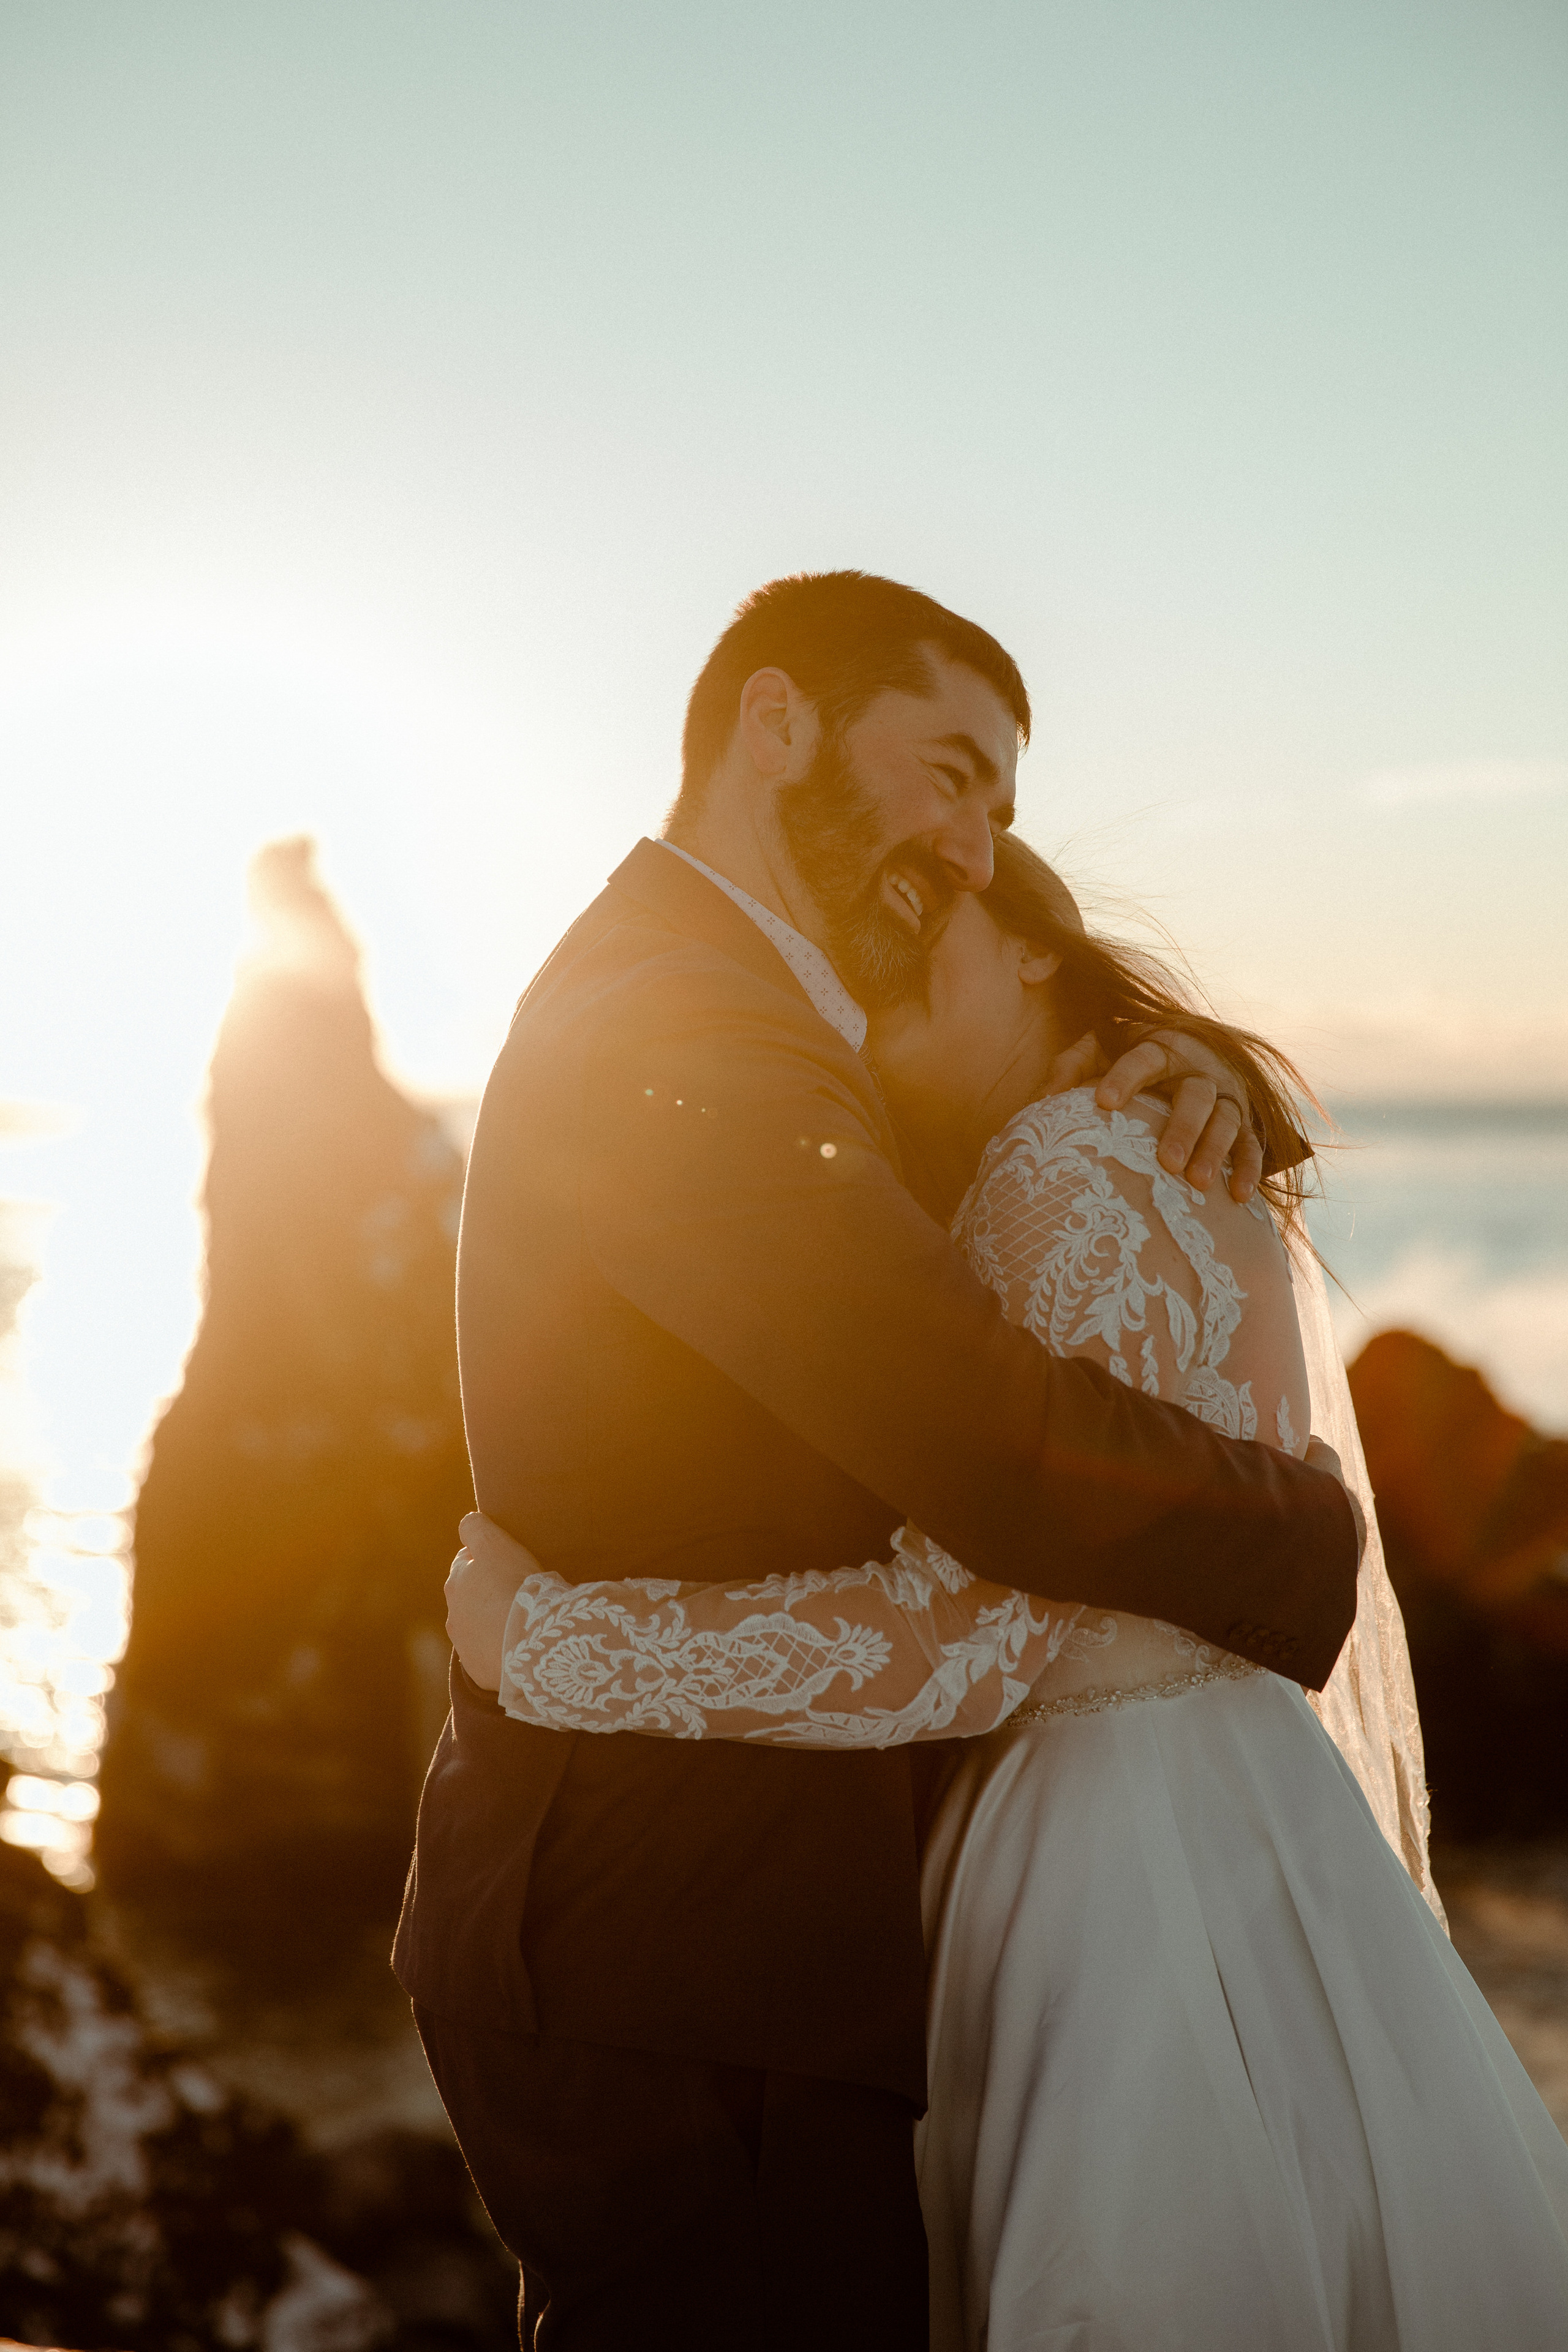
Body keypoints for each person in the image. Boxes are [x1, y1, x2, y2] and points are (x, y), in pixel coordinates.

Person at [396, 571, 1360, 2350]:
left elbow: (957, 1266)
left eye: (1002, 806)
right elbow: (986, 1439)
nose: (979, 847)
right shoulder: (685, 1023)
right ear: (777, 723)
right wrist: (1305, 1536)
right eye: (954, 769)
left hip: (711, 1938)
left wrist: (1139, 1068)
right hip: (675, 1943)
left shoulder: (744, 1011)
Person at [450, 835, 1568, 2349]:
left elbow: (967, 1642)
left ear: (1038, 951)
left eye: (927, 940)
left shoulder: (1054, 1170)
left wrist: (548, 1646)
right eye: (862, 965)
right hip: (1264, 1813)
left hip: (1097, 1851)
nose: (878, 988)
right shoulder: (1188, 1153)